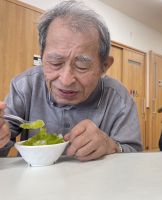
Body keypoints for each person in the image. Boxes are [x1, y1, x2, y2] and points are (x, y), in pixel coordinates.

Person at [0, 0, 142, 161]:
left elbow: (134, 155)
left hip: (96, 184)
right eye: (55, 63)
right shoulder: (25, 86)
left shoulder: (118, 98)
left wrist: (112, 146)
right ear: (43, 55)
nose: (66, 80)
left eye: (82, 66)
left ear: (104, 66)